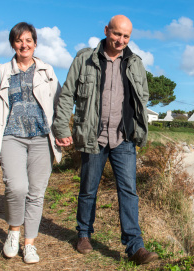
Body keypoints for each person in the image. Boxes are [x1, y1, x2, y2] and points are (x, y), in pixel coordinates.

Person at [53, 15, 158, 265]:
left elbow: (142, 96)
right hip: (93, 137)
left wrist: (137, 127)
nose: (121, 40)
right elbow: (67, 94)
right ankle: (84, 234)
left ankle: (135, 246)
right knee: (88, 190)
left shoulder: (135, 63)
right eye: (116, 34)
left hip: (124, 138)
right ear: (106, 31)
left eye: (126, 36)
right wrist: (61, 128)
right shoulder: (84, 59)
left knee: (129, 193)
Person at [0, 22, 62, 264]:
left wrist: (61, 133)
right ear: (12, 44)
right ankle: (14, 232)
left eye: (28, 40)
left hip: (41, 138)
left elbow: (59, 105)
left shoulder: (47, 70)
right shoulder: (1, 71)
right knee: (17, 188)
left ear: (35, 43)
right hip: (11, 137)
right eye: (18, 41)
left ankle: (30, 245)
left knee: (36, 193)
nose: (23, 45)